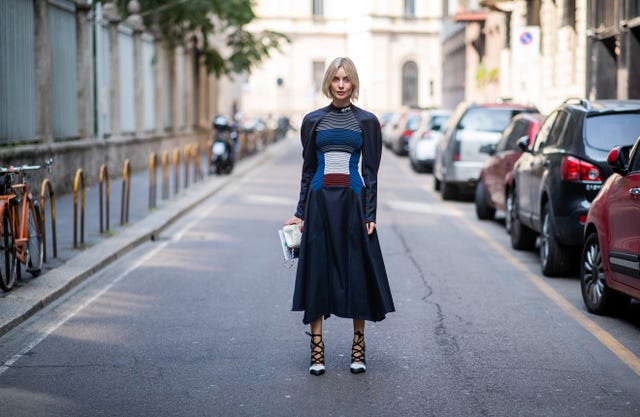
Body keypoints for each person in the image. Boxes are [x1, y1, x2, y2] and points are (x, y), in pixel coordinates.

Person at [284, 57, 395, 376]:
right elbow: (308, 171)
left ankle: (357, 348)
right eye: (336, 78)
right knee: (317, 272)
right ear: (328, 83)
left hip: (352, 204)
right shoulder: (312, 120)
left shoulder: (368, 122)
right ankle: (316, 352)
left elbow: (370, 171)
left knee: (357, 273)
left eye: (346, 79)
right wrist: (299, 213)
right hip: (319, 204)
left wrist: (369, 212)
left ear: (354, 82)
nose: (341, 84)